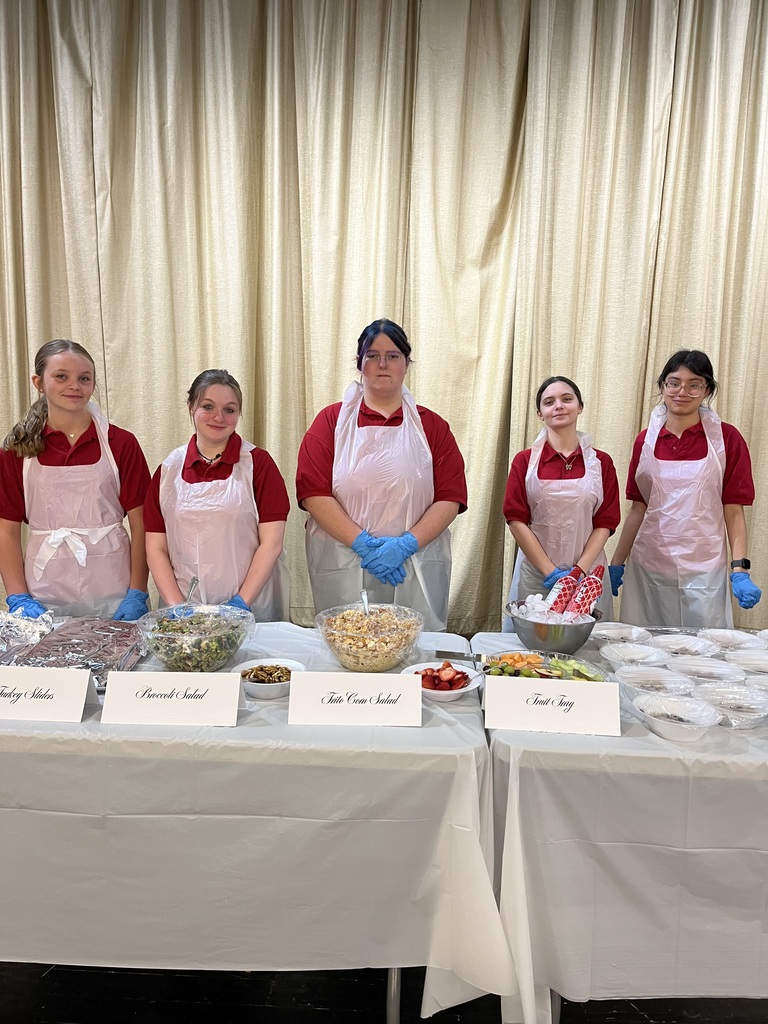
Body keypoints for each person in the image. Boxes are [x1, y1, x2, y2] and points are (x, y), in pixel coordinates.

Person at [296, 318, 467, 630]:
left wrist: (405, 545)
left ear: (406, 363)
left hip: (415, 561)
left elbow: (450, 497)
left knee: (415, 653)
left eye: (393, 356)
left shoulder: (432, 427)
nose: (382, 364)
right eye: (372, 355)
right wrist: (361, 542)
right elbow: (313, 492)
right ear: (359, 363)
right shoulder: (330, 422)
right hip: (343, 560)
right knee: (349, 643)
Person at [0, 340, 151, 619]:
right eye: (61, 376)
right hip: (44, 597)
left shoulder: (121, 444)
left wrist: (137, 592)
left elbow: (142, 524)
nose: (74, 386)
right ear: (39, 382)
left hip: (114, 594)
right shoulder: (17, 450)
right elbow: (6, 531)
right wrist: (18, 596)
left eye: (84, 378)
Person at [610, 350, 761, 628]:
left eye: (695, 384)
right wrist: (617, 563)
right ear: (662, 387)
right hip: (649, 567)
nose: (682, 391)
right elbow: (638, 508)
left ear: (707, 390)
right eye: (674, 382)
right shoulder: (646, 440)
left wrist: (739, 570)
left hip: (704, 569)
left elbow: (734, 510)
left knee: (704, 654)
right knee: (645, 650)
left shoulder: (727, 439)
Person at [144, 369, 289, 619]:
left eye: (229, 410)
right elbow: (156, 548)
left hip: (250, 606)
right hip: (183, 609)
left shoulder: (258, 464)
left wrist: (240, 603)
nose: (218, 417)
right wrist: (178, 607)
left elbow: (272, 543)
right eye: (208, 406)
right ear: (191, 407)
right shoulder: (168, 470)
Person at [503, 376, 620, 626]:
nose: (558, 405)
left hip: (587, 576)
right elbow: (516, 519)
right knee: (532, 653)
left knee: (586, 651)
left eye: (567, 399)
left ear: (580, 407)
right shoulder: (524, 462)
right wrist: (550, 572)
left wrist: (579, 571)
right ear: (539, 413)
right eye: (549, 402)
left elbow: (606, 522)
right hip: (537, 576)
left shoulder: (602, 463)